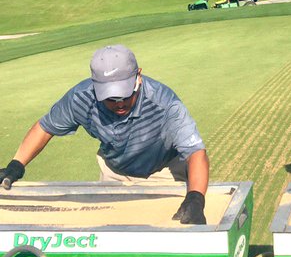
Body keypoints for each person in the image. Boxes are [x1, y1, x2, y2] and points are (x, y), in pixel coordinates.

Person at [0, 44, 210, 224]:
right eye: (110, 98)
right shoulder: (81, 97)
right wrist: (16, 165)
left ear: (138, 77)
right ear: (95, 86)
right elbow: (45, 128)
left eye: (125, 95)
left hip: (163, 172)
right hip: (114, 172)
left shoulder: (165, 102)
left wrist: (195, 198)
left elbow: (195, 152)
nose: (119, 103)